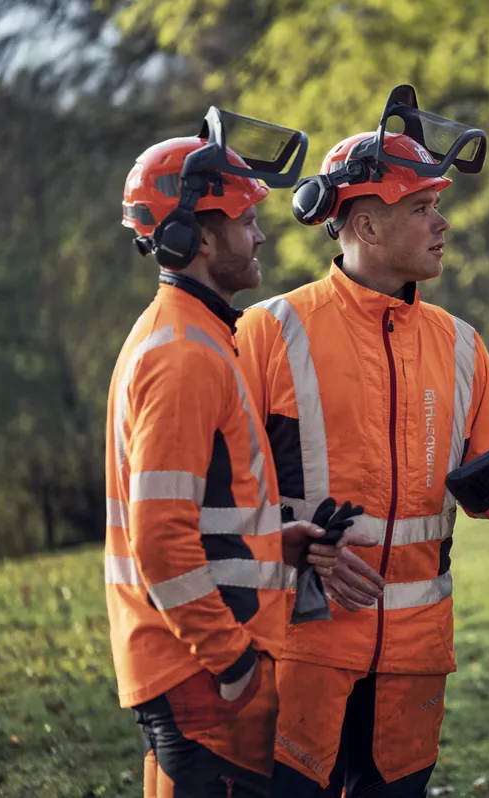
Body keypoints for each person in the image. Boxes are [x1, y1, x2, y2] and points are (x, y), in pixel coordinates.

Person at [236, 86, 489, 797]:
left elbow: (488, 487)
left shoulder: (462, 347)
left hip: (411, 666)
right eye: (422, 209)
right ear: (364, 225)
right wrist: (289, 541)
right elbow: (217, 493)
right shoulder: (269, 332)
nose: (442, 225)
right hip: (300, 653)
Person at [108, 111, 363, 796]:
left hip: (195, 668)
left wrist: (273, 544)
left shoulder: (199, 337)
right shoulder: (186, 356)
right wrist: (232, 662)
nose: (259, 236)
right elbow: (160, 542)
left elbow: (196, 515)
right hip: (200, 675)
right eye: (245, 220)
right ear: (193, 234)